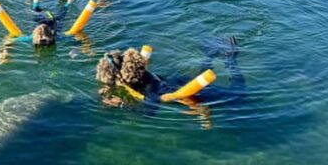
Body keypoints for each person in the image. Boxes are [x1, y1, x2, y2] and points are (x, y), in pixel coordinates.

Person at [96, 36, 245, 109]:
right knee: (201, 81)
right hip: (175, 82)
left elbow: (149, 111)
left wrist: (122, 104)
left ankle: (231, 59)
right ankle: (209, 55)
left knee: (237, 96)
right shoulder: (143, 73)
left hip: (181, 92)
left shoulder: (148, 90)